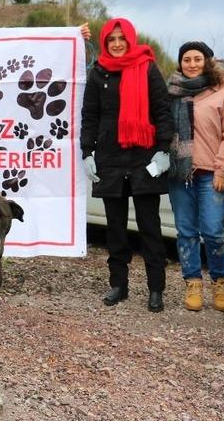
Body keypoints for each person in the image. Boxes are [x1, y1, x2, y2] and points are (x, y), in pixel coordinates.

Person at [80, 18, 172, 312]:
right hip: (110, 158)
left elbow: (162, 110)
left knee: (150, 227)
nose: (117, 44)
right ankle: (118, 285)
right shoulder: (98, 73)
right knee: (116, 229)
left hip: (144, 156)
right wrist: (87, 151)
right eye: (111, 40)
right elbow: (90, 115)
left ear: (130, 40)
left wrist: (164, 149)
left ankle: (155, 289)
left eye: (122, 38)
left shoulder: (147, 68)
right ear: (106, 43)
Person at [166, 41, 224, 312]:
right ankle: (193, 283)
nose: (192, 64)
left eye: (197, 59)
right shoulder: (172, 91)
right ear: (180, 63)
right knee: (185, 231)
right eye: (187, 59)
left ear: (207, 61)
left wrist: (222, 169)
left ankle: (220, 282)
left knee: (213, 231)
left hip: (211, 175)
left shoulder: (223, 93)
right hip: (180, 174)